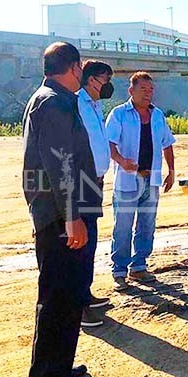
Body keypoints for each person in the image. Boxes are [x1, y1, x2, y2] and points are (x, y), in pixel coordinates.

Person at [22, 42, 100, 377]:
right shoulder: (52, 102)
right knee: (57, 300)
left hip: (67, 212)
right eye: (81, 66)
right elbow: (61, 164)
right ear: (73, 67)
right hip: (60, 218)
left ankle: (60, 368)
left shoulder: (55, 97)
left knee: (70, 296)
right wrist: (72, 217)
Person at [105, 71, 176, 291]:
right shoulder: (119, 114)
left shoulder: (157, 116)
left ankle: (139, 266)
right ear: (131, 91)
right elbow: (109, 143)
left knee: (147, 225)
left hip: (151, 178)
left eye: (151, 90)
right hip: (128, 179)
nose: (148, 94)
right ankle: (119, 271)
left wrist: (171, 170)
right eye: (143, 89)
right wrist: (121, 161)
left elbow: (167, 143)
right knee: (123, 226)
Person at [75, 59, 116, 326]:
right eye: (105, 79)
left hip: (95, 181)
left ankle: (85, 294)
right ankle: (78, 307)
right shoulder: (77, 103)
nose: (108, 85)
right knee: (79, 243)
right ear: (91, 79)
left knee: (89, 239)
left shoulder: (94, 104)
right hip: (82, 180)